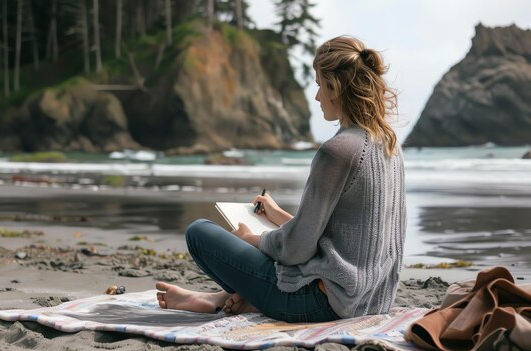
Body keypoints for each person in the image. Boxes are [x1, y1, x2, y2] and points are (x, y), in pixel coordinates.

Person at [156, 35, 405, 323]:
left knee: (199, 232)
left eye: (319, 86)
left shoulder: (337, 151)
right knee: (267, 247)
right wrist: (279, 216)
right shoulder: (389, 144)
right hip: (375, 300)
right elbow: (341, 240)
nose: (317, 97)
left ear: (335, 88)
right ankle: (227, 300)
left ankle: (232, 299)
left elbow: (297, 250)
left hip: (321, 304)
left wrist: (254, 239)